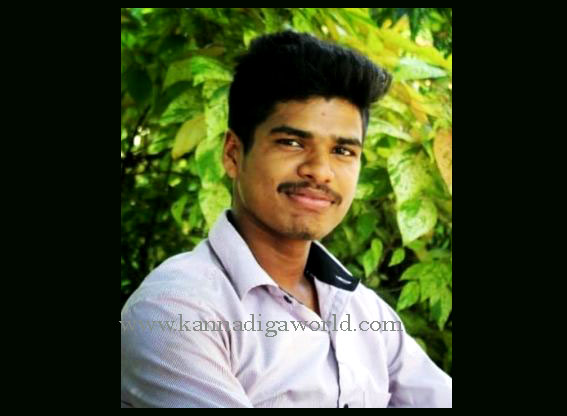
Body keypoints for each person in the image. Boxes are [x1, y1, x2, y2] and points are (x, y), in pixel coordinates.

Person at [121, 30, 452, 408]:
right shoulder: (173, 311)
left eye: (343, 150)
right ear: (233, 154)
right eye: (292, 143)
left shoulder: (364, 311)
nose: (321, 171)